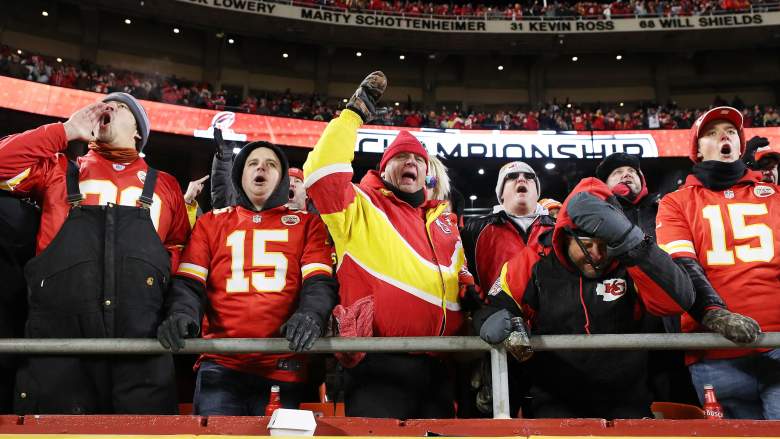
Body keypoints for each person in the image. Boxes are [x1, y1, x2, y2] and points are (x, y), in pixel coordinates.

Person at [0, 93, 190, 414]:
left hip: (140, 341)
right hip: (60, 345)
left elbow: (179, 252)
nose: (108, 107)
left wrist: (167, 305)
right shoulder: (59, 169)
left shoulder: (167, 185)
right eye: (104, 104)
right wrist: (64, 131)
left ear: (138, 132)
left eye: (121, 106)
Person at [302, 71, 473, 419]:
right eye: (401, 158)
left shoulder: (444, 222)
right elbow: (321, 172)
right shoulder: (359, 205)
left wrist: (472, 297)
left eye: (418, 160)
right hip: (379, 365)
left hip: (440, 366)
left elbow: (461, 278)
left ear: (426, 172)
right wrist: (353, 115)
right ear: (383, 170)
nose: (411, 162)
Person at [475, 177, 694, 419]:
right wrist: (491, 319)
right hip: (554, 404)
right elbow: (495, 306)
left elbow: (677, 301)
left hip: (628, 402)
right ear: (565, 235)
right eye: (587, 245)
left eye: (605, 244)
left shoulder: (631, 261)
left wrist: (633, 243)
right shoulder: (534, 260)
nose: (597, 255)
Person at [156, 140, 338, 416]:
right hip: (221, 363)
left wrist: (311, 315)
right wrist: (181, 313)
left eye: (271, 164)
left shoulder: (308, 224)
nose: (261, 168)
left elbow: (319, 282)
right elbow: (190, 283)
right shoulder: (211, 222)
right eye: (253, 163)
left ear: (282, 178)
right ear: (240, 175)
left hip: (282, 364)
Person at [656, 106, 778, 419]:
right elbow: (681, 265)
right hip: (714, 346)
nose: (724, 136)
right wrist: (714, 314)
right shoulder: (676, 202)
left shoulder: (775, 195)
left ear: (739, 145)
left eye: (731, 132)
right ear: (697, 150)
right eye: (712, 133)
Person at [462, 161, 554, 300]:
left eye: (529, 176)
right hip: (496, 312)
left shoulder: (559, 230)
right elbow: (460, 275)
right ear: (501, 193)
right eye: (512, 176)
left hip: (552, 313)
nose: (521, 179)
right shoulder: (474, 229)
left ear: (537, 193)